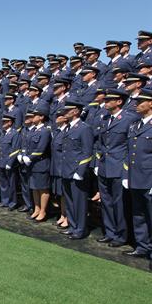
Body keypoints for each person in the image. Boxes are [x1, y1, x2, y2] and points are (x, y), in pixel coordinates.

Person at [95, 88, 136, 247]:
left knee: (119, 203)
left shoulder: (128, 118)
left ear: (119, 101)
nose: (106, 102)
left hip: (119, 166)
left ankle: (121, 235)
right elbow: (100, 143)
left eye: (109, 100)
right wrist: (97, 163)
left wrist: (126, 168)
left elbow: (129, 145)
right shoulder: (105, 118)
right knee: (106, 202)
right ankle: (109, 232)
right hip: (104, 165)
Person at [122, 88, 152, 271]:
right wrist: (126, 175)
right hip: (135, 177)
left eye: (141, 101)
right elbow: (129, 153)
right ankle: (142, 246)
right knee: (139, 214)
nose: (136, 104)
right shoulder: (135, 125)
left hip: (149, 178)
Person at [60, 99, 94, 240]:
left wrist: (80, 171)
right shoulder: (68, 127)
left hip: (76, 171)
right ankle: (72, 226)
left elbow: (87, 152)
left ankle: (80, 229)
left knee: (79, 203)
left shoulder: (84, 128)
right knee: (69, 201)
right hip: (66, 169)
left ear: (76, 111)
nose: (64, 113)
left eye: (67, 111)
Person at [0, 113, 21, 210]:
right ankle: (5, 201)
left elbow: (15, 149)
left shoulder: (15, 133)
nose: (3, 123)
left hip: (9, 163)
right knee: (3, 183)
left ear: (10, 122)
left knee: (11, 184)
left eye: (5, 122)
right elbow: (0, 148)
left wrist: (10, 163)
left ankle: (12, 203)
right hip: (2, 161)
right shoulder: (3, 133)